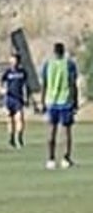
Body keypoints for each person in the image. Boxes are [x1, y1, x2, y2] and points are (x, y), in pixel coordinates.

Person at [40, 41, 78, 169]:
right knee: (66, 131)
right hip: (65, 100)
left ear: (54, 52)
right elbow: (72, 83)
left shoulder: (47, 65)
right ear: (63, 51)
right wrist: (75, 101)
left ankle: (50, 159)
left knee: (51, 130)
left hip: (51, 101)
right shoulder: (69, 64)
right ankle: (66, 158)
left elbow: (44, 84)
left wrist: (42, 101)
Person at [0, 51, 29, 149]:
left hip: (18, 99)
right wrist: (2, 90)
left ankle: (19, 138)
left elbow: (25, 86)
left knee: (19, 119)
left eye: (15, 60)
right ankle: (11, 139)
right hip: (9, 98)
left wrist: (26, 97)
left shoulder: (22, 72)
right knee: (10, 120)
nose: (13, 62)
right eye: (12, 60)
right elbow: (0, 83)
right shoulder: (7, 72)